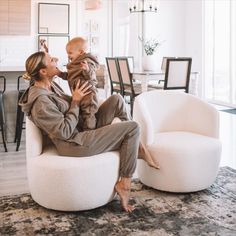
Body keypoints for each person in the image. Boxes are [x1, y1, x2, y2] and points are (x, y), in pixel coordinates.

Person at [19, 51, 140, 213]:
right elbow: (64, 131)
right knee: (132, 128)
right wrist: (75, 100)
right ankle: (124, 183)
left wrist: (85, 93)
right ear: (43, 71)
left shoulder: (50, 85)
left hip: (81, 128)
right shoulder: (40, 102)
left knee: (117, 100)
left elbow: (70, 100)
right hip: (74, 143)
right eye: (51, 60)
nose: (56, 59)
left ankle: (135, 147)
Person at [58, 37, 100, 131]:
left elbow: (92, 76)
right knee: (83, 114)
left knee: (89, 114)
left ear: (81, 52)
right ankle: (85, 131)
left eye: (70, 53)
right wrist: (60, 74)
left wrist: (87, 69)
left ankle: (90, 132)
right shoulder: (74, 64)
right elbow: (70, 76)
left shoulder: (86, 62)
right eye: (67, 53)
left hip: (88, 95)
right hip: (80, 95)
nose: (68, 55)